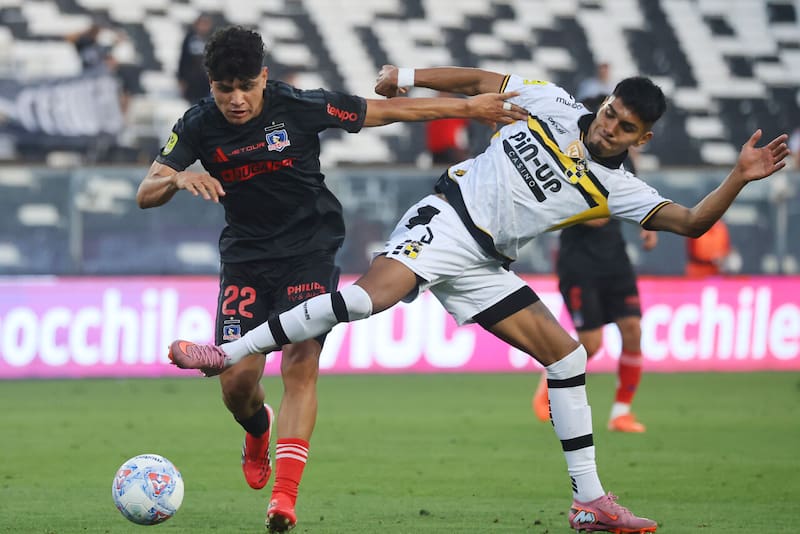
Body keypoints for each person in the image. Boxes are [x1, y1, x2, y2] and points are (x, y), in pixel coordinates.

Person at [167, 64, 789, 533]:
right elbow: (481, 79)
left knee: (568, 359)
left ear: (642, 138)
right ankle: (230, 352)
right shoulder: (551, 101)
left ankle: (589, 502)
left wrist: (737, 176)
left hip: (486, 263)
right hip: (447, 218)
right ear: (603, 103)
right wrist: (407, 78)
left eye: (626, 127)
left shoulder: (620, 187)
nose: (610, 126)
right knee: (363, 301)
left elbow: (690, 222)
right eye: (609, 113)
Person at [136, 27, 526, 534]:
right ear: (209, 85)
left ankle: (284, 499)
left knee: (300, 364)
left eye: (247, 86)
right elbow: (147, 190)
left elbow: (388, 111)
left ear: (264, 77)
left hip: (310, 250)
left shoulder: (297, 106)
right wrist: (178, 177)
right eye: (223, 88)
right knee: (236, 383)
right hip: (247, 258)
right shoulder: (196, 124)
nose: (235, 99)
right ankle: (258, 431)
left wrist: (468, 108)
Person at [532, 93, 657, 433]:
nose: (611, 129)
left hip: (615, 257)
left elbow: (633, 193)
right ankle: (548, 386)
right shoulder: (568, 151)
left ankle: (621, 412)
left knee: (633, 330)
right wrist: (586, 214)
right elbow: (557, 200)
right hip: (578, 261)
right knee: (591, 344)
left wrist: (646, 225)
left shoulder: (625, 158)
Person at [177, 14, 215, 105]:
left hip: (207, 82)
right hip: (192, 82)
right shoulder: (189, 39)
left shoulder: (213, 39)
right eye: (202, 24)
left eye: (206, 24)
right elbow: (183, 59)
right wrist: (181, 79)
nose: (203, 27)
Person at [426, 92, 471, 164]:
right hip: (437, 150)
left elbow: (463, 130)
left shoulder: (456, 110)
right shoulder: (433, 110)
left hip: (451, 149)